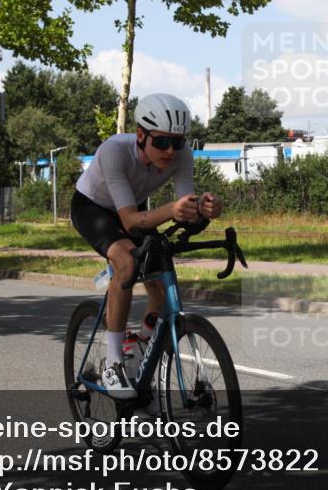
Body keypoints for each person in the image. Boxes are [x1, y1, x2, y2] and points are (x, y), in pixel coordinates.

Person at [70, 93, 222, 398]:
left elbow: (184, 209)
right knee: (126, 263)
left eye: (177, 143)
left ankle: (137, 352)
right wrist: (171, 210)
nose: (170, 151)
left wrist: (204, 210)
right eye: (162, 142)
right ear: (141, 135)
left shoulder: (182, 156)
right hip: (94, 208)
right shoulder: (114, 151)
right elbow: (127, 221)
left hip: (137, 209)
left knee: (158, 281)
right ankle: (113, 363)